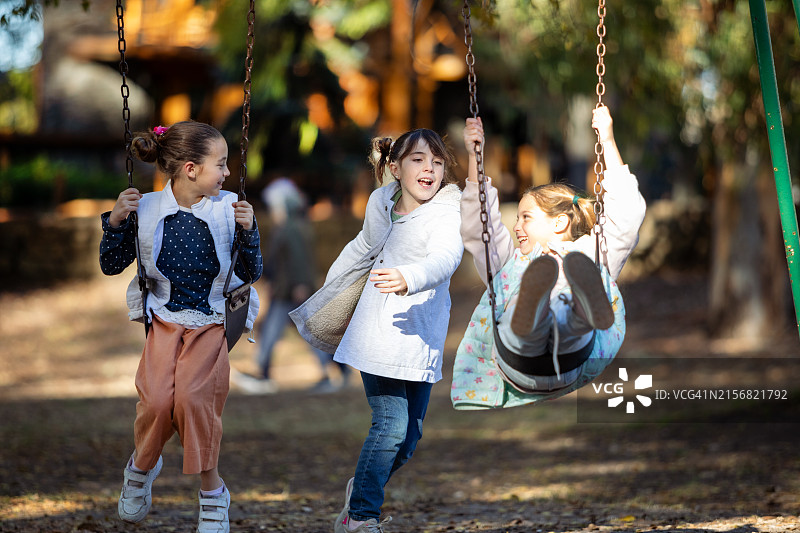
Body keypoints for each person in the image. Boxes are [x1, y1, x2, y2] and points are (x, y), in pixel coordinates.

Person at [289, 128, 464, 532]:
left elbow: (447, 257)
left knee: (409, 439)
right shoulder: (380, 202)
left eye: (437, 163)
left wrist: (409, 276)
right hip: (376, 331)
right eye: (419, 160)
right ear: (396, 167)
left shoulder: (445, 211)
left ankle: (363, 486)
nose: (429, 169)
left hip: (419, 335)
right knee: (390, 425)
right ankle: (361, 518)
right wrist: (335, 289)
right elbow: (360, 246)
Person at [99, 121, 263, 532]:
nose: (227, 173)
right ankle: (139, 469)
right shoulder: (148, 207)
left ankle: (212, 494)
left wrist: (249, 232)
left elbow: (251, 271)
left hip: (211, 322)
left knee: (193, 400)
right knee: (156, 403)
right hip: (164, 320)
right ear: (191, 169)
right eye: (220, 164)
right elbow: (111, 265)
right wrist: (116, 221)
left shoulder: (228, 209)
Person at [451, 106, 646, 409]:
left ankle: (579, 309)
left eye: (525, 217)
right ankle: (537, 307)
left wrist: (607, 139)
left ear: (559, 223)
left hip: (569, 362)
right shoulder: (509, 263)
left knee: (570, 311)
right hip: (519, 361)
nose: (516, 227)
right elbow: (480, 225)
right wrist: (475, 157)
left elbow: (627, 215)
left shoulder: (589, 254)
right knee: (536, 311)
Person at [231, 177, 350, 394]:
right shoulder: (291, 226)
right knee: (275, 332)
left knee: (304, 334)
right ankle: (266, 372)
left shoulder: (292, 228)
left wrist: (300, 284)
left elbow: (299, 259)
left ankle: (330, 371)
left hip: (291, 292)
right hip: (285, 291)